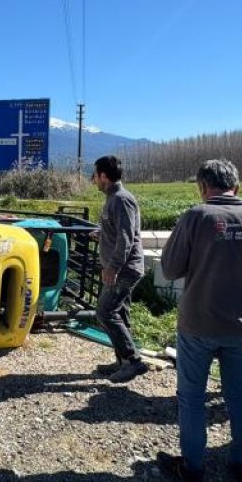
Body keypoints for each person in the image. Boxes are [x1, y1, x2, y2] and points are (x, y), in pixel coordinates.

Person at [157, 159, 242, 482]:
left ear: (202, 187)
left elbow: (169, 270)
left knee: (192, 395)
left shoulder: (196, 217)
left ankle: (193, 467)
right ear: (237, 186)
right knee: (238, 395)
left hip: (199, 323)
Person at [91, 155, 148, 384]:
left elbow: (126, 239)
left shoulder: (122, 199)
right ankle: (122, 362)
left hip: (125, 269)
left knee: (105, 312)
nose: (93, 180)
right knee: (120, 313)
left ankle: (133, 361)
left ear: (104, 176)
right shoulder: (112, 198)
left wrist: (112, 268)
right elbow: (118, 231)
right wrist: (102, 233)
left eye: (95, 175)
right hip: (121, 267)